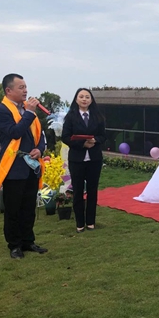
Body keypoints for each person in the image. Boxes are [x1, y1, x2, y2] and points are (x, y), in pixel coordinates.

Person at [0, 73, 48, 259]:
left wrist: (39, 149)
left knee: (29, 208)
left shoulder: (28, 109)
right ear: (8, 90)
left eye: (26, 87)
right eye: (21, 87)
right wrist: (28, 113)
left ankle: (28, 241)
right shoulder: (1, 111)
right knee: (13, 209)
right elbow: (15, 132)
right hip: (13, 167)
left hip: (31, 166)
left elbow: (40, 136)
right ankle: (14, 245)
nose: (25, 91)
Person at [61, 88, 106, 233]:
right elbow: (65, 137)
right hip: (77, 159)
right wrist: (82, 144)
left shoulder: (98, 117)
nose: (84, 99)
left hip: (94, 159)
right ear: (76, 99)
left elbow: (103, 136)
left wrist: (95, 140)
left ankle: (91, 221)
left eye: (87, 97)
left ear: (91, 100)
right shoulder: (70, 117)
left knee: (92, 190)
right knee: (78, 191)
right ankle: (80, 223)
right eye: (81, 97)